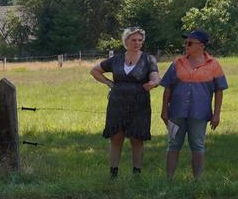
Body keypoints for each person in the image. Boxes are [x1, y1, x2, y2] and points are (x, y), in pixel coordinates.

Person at [158, 29, 227, 180]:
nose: (186, 45)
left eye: (190, 43)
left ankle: (198, 180)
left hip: (199, 114)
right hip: (176, 113)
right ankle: (168, 179)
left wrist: (216, 114)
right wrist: (164, 111)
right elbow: (167, 88)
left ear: (201, 45)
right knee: (173, 144)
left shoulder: (214, 65)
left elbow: (219, 90)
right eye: (185, 42)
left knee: (197, 145)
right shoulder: (177, 63)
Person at [89, 27, 158, 178]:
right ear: (126, 41)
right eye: (134, 40)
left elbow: (155, 77)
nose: (137, 43)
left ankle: (137, 173)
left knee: (137, 139)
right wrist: (109, 83)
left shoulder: (148, 59)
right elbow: (95, 71)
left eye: (140, 40)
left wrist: (153, 83)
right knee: (116, 137)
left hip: (139, 104)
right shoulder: (116, 59)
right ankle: (113, 173)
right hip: (117, 104)